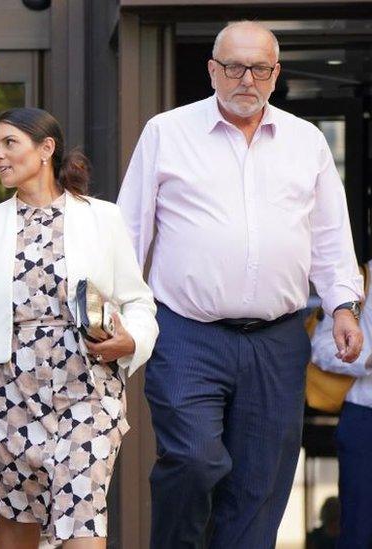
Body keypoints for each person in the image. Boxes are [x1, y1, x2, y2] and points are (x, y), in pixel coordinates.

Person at [116, 21, 365, 548]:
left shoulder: (307, 141)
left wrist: (344, 307)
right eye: (234, 67)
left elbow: (329, 235)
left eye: (259, 69)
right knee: (193, 458)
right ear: (212, 70)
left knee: (261, 484)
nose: (245, 79)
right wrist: (118, 314)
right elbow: (130, 230)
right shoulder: (167, 132)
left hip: (277, 339)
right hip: (187, 333)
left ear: (275, 75)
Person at [0, 107, 158, 548]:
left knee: (84, 513)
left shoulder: (102, 218)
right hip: (5, 391)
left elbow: (139, 300)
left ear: (46, 149)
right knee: (18, 523)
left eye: (9, 143)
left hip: (85, 385)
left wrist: (131, 340)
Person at [311, 260, 372, 547]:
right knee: (358, 529)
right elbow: (321, 348)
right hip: (365, 417)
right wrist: (368, 360)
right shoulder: (358, 281)